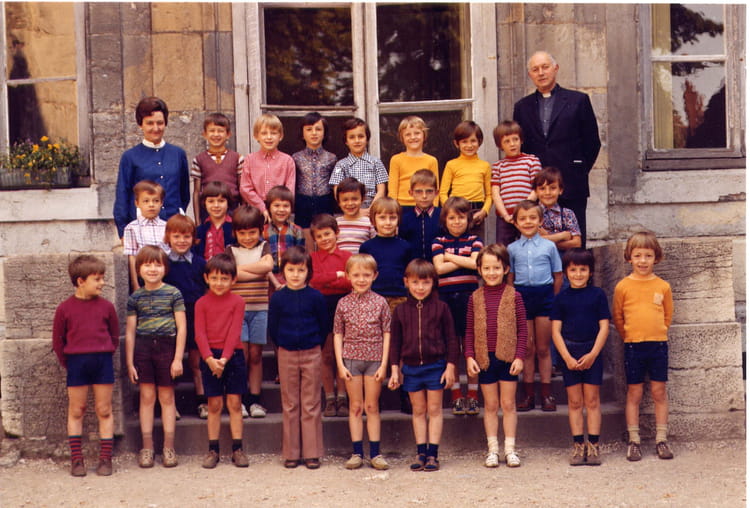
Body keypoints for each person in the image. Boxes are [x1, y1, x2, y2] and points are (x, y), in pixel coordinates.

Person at [513, 51, 600, 247]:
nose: (541, 73)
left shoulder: (578, 100)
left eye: (545, 67)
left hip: (571, 182)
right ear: (530, 74)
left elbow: (592, 142)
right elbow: (521, 147)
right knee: (536, 244)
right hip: (538, 188)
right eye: (535, 69)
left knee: (575, 245)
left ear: (555, 68)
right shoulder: (522, 107)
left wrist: (577, 169)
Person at [388, 259, 458, 472]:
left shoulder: (441, 308)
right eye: (415, 282)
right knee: (418, 410)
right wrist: (394, 369)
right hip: (411, 368)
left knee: (434, 410)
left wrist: (450, 366)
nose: (420, 287)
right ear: (406, 282)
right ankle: (420, 452)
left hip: (435, 366)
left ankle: (433, 454)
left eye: (426, 282)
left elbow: (452, 339)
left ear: (433, 283)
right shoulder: (400, 311)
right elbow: (395, 342)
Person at [53, 255, 120, 477]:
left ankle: (105, 458)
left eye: (102, 278)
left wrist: (104, 353)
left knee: (104, 409)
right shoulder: (65, 309)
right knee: (76, 410)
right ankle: (76, 459)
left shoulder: (107, 307)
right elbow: (58, 341)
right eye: (97, 279)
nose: (102, 283)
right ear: (81, 281)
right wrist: (70, 363)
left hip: (102, 362)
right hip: (77, 364)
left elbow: (114, 336)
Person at [613, 231, 674, 462]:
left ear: (656, 257)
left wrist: (658, 331)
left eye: (648, 255)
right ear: (629, 257)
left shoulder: (663, 286)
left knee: (659, 392)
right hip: (633, 346)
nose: (642, 261)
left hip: (658, 346)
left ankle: (661, 439)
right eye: (637, 255)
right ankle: (634, 440)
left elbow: (667, 315)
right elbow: (618, 317)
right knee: (634, 392)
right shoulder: (623, 286)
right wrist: (629, 335)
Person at [464, 244, 528, 468]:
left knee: (508, 404)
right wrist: (469, 356)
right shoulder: (475, 297)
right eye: (487, 268)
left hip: (508, 358)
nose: (492, 273)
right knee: (491, 405)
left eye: (497, 268)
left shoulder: (515, 296)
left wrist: (519, 356)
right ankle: (493, 449)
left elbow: (523, 329)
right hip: (485, 358)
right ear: (479, 270)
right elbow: (469, 330)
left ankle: (510, 449)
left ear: (506, 269)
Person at [125, 245, 186, 468]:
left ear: (165, 268)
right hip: (143, 348)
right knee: (147, 397)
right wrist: (130, 362)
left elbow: (182, 327)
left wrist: (178, 358)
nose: (152, 269)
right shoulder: (135, 298)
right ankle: (147, 447)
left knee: (167, 397)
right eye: (147, 265)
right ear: (138, 269)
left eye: (157, 264)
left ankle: (169, 447)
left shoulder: (173, 293)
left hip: (166, 346)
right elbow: (130, 332)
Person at [268, 246, 328, 469]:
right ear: (283, 271)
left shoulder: (316, 297)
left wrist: (315, 345)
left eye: (301, 270)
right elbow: (273, 328)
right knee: (290, 403)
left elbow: (324, 326)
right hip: (287, 353)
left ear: (308, 272)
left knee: (311, 403)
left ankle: (312, 453)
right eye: (291, 270)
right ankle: (291, 452)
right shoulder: (278, 298)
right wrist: (284, 345)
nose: (295, 275)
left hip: (312, 351)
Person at [550, 248, 610, 465]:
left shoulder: (598, 295)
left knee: (592, 400)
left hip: (591, 351)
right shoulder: (561, 298)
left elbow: (604, 327)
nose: (578, 274)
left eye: (583, 270)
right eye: (573, 270)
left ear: (590, 272)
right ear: (566, 272)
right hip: (570, 353)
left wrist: (593, 353)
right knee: (575, 401)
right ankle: (578, 445)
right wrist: (566, 357)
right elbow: (555, 331)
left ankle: (593, 444)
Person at [334, 254, 391, 470]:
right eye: (356, 275)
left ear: (374, 276)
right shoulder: (343, 303)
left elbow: (387, 333)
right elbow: (338, 334)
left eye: (366, 275)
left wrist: (384, 364)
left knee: (371, 406)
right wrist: (340, 364)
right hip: (351, 359)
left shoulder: (381, 302)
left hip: (374, 359)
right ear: (348, 276)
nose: (361, 279)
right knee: (356, 406)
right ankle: (357, 452)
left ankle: (375, 453)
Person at [194, 253, 249, 469]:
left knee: (234, 403)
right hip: (209, 356)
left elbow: (235, 332)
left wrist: (224, 359)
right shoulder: (201, 303)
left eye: (224, 279)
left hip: (232, 356)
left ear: (233, 280)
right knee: (214, 404)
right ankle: (213, 449)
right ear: (206, 278)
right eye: (214, 278)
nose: (219, 283)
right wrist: (209, 359)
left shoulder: (238, 301)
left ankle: (237, 448)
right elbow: (199, 333)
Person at [507, 200, 562, 412]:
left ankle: (546, 394)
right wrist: (512, 298)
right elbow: (510, 277)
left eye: (532, 218)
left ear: (540, 221)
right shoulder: (512, 249)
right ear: (515, 222)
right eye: (522, 218)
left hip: (545, 296)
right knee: (527, 349)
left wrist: (554, 299)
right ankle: (528, 394)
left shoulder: (549, 246)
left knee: (543, 348)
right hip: (522, 296)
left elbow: (558, 275)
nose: (528, 222)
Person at [431, 196, 483, 416]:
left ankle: (472, 394)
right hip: (446, 299)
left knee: (471, 345)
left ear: (468, 220)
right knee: (450, 345)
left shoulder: (475, 240)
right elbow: (438, 269)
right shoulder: (438, 241)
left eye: (461, 217)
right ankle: (455, 395)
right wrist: (463, 260)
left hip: (469, 298)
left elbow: (476, 264)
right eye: (452, 218)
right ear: (445, 220)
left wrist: (449, 257)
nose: (456, 222)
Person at [113, 96, 189, 238]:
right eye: (150, 123)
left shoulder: (178, 154)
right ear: (140, 124)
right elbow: (122, 195)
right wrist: (123, 231)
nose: (156, 128)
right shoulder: (130, 157)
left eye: (160, 123)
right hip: (142, 230)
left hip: (174, 228)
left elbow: (184, 193)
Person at [226, 204, 274, 419]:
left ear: (260, 231)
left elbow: (268, 266)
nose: (247, 238)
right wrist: (254, 270)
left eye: (252, 232)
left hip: (260, 309)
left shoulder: (264, 247)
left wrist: (239, 271)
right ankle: (241, 399)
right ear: (235, 232)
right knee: (242, 355)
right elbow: (231, 276)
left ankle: (255, 400)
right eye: (242, 233)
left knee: (256, 355)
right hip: (237, 311)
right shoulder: (230, 250)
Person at [162, 214, 208, 419]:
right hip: (171, 318)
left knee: (197, 362)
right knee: (171, 361)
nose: (182, 241)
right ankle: (170, 405)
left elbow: (206, 290)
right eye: (177, 236)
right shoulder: (164, 264)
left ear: (194, 238)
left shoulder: (200, 263)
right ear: (168, 238)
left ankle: (202, 402)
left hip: (195, 315)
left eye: (186, 236)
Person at [308, 213, 352, 418]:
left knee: (341, 353)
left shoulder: (347, 257)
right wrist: (336, 275)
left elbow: (350, 282)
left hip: (344, 304)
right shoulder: (313, 258)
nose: (324, 239)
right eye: (319, 236)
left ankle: (342, 397)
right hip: (321, 305)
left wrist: (330, 280)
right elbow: (314, 280)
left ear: (337, 233)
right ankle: (329, 397)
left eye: (327, 234)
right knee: (326, 353)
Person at [490, 120, 541, 246]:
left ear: (521, 140)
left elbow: (537, 188)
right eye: (507, 141)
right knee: (503, 248)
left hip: (527, 214)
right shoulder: (498, 166)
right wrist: (505, 215)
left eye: (515, 139)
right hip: (505, 217)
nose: (512, 144)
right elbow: (495, 194)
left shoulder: (531, 161)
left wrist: (521, 211)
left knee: (530, 245)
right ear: (500, 145)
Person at [292, 112, 337, 250]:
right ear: (302, 133)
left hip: (325, 202)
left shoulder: (332, 158)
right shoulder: (295, 158)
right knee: (307, 245)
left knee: (325, 238)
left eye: (318, 129)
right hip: (303, 203)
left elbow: (335, 184)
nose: (314, 133)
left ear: (324, 133)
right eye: (309, 129)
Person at [438, 121, 491, 236]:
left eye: (473, 141)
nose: (469, 145)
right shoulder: (451, 164)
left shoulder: (485, 166)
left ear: (479, 141)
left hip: (476, 212)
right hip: (456, 211)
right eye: (464, 142)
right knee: (455, 242)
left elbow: (489, 195)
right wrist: (451, 209)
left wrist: (484, 211)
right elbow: (442, 193)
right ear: (456, 143)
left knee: (476, 243)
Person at [240, 113, 295, 223]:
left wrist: (278, 208)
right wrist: (262, 208)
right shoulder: (250, 160)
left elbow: (289, 190)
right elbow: (245, 188)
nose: (269, 137)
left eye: (273, 133)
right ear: (256, 136)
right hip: (255, 209)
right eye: (264, 133)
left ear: (280, 136)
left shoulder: (287, 161)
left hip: (279, 210)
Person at [359, 196, 412, 311]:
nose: (388, 222)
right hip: (373, 297)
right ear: (373, 220)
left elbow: (409, 274)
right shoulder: (366, 247)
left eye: (392, 218)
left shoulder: (405, 246)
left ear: (399, 220)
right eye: (382, 218)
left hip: (400, 297)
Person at [191, 112, 243, 224]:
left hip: (232, 209)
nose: (216, 134)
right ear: (204, 134)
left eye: (220, 131)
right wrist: (197, 221)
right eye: (212, 131)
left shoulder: (237, 158)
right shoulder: (199, 160)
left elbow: (242, 189)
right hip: (208, 210)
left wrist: (243, 215)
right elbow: (196, 192)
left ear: (228, 134)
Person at [329, 117, 388, 210]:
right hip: (349, 207)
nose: (357, 141)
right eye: (352, 137)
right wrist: (353, 209)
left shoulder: (376, 162)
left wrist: (371, 210)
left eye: (361, 136)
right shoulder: (341, 165)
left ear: (367, 139)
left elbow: (381, 190)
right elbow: (337, 191)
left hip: (373, 207)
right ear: (346, 141)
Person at [123, 180, 170, 290]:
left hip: (166, 277)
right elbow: (132, 257)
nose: (151, 205)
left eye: (156, 201)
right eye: (146, 201)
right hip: (143, 278)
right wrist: (135, 284)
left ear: (161, 203)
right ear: (137, 203)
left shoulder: (167, 226)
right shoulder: (132, 228)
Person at [387, 115, 439, 208]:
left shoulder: (431, 160)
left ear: (424, 135)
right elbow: (392, 191)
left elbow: (435, 189)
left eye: (417, 133)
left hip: (425, 206)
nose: (413, 137)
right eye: (408, 134)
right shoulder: (396, 160)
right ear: (402, 138)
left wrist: (434, 209)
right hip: (402, 207)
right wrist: (393, 209)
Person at [262, 185, 305, 289]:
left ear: (291, 208)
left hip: (291, 277)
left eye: (286, 206)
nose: (281, 210)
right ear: (268, 208)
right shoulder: (262, 231)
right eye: (276, 205)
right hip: (268, 277)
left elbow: (301, 257)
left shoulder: (297, 230)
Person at [534, 166, 582, 252]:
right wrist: (562, 236)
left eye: (552, 188)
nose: (547, 193)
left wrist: (547, 236)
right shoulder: (532, 213)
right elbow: (533, 242)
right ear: (536, 192)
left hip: (563, 258)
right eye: (542, 189)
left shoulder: (567, 214)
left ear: (560, 190)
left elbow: (576, 243)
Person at [398, 169, 443, 261]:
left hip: (438, 266)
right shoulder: (404, 218)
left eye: (429, 191)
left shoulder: (443, 216)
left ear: (436, 193)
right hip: (412, 266)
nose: (424, 196)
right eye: (419, 191)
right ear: (411, 193)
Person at [194, 181, 234, 261]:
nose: (216, 205)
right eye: (211, 201)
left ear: (228, 203)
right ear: (204, 203)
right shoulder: (200, 231)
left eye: (221, 201)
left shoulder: (235, 228)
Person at [334, 177, 376, 254]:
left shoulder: (369, 223)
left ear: (362, 199)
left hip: (362, 261)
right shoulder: (335, 223)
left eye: (354, 199)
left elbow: (374, 247)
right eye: (345, 200)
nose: (350, 203)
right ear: (339, 202)